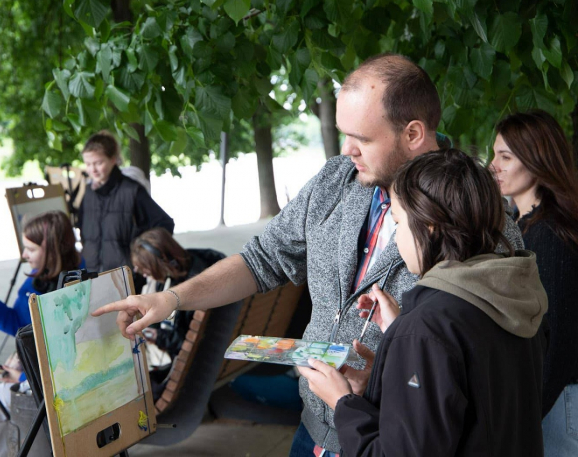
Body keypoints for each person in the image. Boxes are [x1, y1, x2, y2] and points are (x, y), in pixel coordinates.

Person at [91, 54, 524, 456]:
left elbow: (489, 362)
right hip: (314, 429)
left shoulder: (480, 213)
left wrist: (383, 379)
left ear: (413, 133)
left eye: (361, 138)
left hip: (393, 440)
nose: (346, 149)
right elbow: (260, 260)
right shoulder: (337, 179)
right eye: (343, 133)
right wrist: (171, 299)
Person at [297, 149, 547, 456]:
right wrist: (393, 371)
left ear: (429, 227)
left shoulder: (425, 330)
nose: (397, 238)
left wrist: (342, 403)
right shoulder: (510, 299)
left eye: (399, 223)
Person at [0, 211, 82, 457]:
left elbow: (70, 359)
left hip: (59, 387)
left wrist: (23, 377)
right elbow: (19, 324)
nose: (24, 255)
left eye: (30, 249)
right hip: (34, 376)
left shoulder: (75, 287)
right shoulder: (38, 278)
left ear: (51, 249)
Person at [491, 110, 578, 456]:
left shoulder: (550, 235)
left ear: (537, 160)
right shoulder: (520, 226)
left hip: (556, 399)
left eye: (506, 157)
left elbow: (557, 341)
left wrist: (524, 415)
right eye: (494, 154)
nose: (493, 165)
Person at [130, 227, 225, 399]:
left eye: (144, 268)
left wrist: (157, 336)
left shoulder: (193, 288)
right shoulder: (171, 275)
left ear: (160, 262)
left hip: (190, 368)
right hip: (190, 359)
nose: (140, 273)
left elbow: (193, 344)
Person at [78, 130, 174, 283]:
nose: (92, 169)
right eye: (88, 164)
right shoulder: (88, 193)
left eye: (98, 163)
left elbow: (165, 224)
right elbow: (83, 231)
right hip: (92, 276)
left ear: (113, 160)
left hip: (127, 278)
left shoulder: (132, 190)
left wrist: (144, 257)